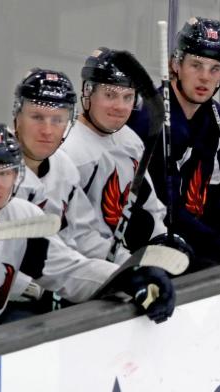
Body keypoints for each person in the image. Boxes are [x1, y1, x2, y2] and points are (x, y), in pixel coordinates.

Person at [0, 124, 175, 347]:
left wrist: (126, 277)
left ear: (18, 177)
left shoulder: (22, 219)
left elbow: (69, 270)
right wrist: (21, 349)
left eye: (5, 173)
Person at [0, 69, 128, 312]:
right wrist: (37, 291)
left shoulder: (64, 168)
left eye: (57, 119)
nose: (48, 131)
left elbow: (82, 237)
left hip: (49, 283)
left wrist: (128, 266)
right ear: (17, 116)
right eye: (37, 117)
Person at [128, 17, 220, 268]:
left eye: (214, 69)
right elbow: (163, 206)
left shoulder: (214, 114)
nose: (205, 78)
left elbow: (216, 190)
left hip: (196, 230)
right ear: (176, 64)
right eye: (196, 65)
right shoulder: (151, 119)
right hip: (155, 237)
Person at [60, 47, 170, 256]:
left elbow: (150, 205)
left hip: (125, 260)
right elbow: (74, 235)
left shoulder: (130, 140)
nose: (120, 106)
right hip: (87, 270)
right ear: (88, 92)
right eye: (110, 94)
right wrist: (123, 265)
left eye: (127, 97)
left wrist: (160, 240)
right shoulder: (67, 150)